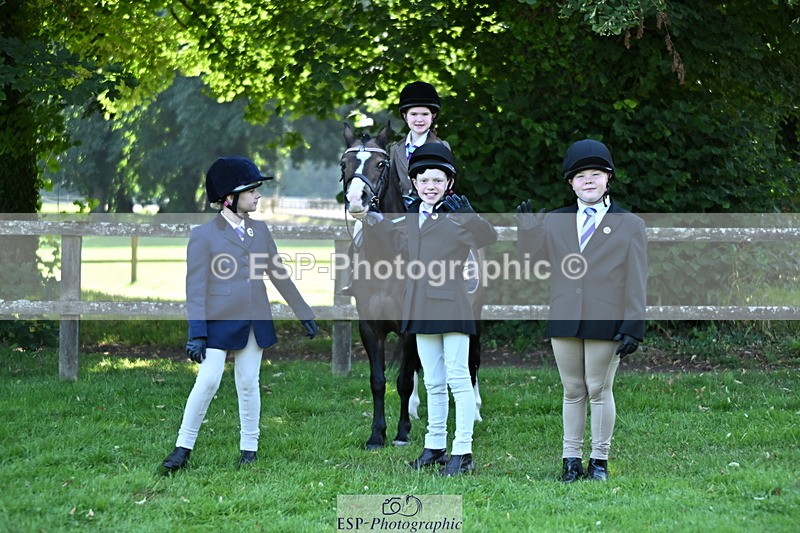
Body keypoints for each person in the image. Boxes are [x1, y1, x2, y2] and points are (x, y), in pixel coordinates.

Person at [161, 156, 318, 471]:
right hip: (217, 321)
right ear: (229, 197)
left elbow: (278, 273)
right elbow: (195, 288)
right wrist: (197, 333)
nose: (258, 195)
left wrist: (303, 312)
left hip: (254, 318)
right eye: (252, 191)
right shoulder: (204, 236)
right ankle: (183, 447)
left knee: (248, 382)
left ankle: (250, 448)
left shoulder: (259, 231)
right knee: (207, 381)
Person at [355, 143, 497, 476]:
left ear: (449, 184)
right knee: (432, 381)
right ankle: (434, 446)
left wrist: (470, 217)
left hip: (451, 307)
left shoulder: (457, 217)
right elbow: (405, 249)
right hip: (419, 306)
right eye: (424, 180)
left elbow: (488, 236)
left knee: (458, 380)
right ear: (415, 184)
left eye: (437, 180)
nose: (430, 186)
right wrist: (379, 223)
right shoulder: (413, 218)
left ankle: (462, 451)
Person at [516, 139, 647, 483]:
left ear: (608, 179)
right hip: (565, 315)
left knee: (598, 388)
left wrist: (634, 324)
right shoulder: (556, 221)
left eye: (596, 174)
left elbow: (636, 277)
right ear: (571, 183)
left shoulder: (629, 224)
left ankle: (599, 461)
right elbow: (535, 265)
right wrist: (527, 235)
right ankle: (570, 459)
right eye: (581, 176)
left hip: (607, 316)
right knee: (572, 389)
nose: (588, 180)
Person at [339, 81, 451, 297]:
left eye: (424, 114)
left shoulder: (441, 146)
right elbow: (388, 180)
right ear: (405, 117)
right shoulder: (395, 148)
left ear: (433, 116)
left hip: (430, 204)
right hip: (400, 204)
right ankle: (355, 279)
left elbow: (444, 180)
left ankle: (455, 280)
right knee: (361, 228)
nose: (419, 119)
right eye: (414, 114)